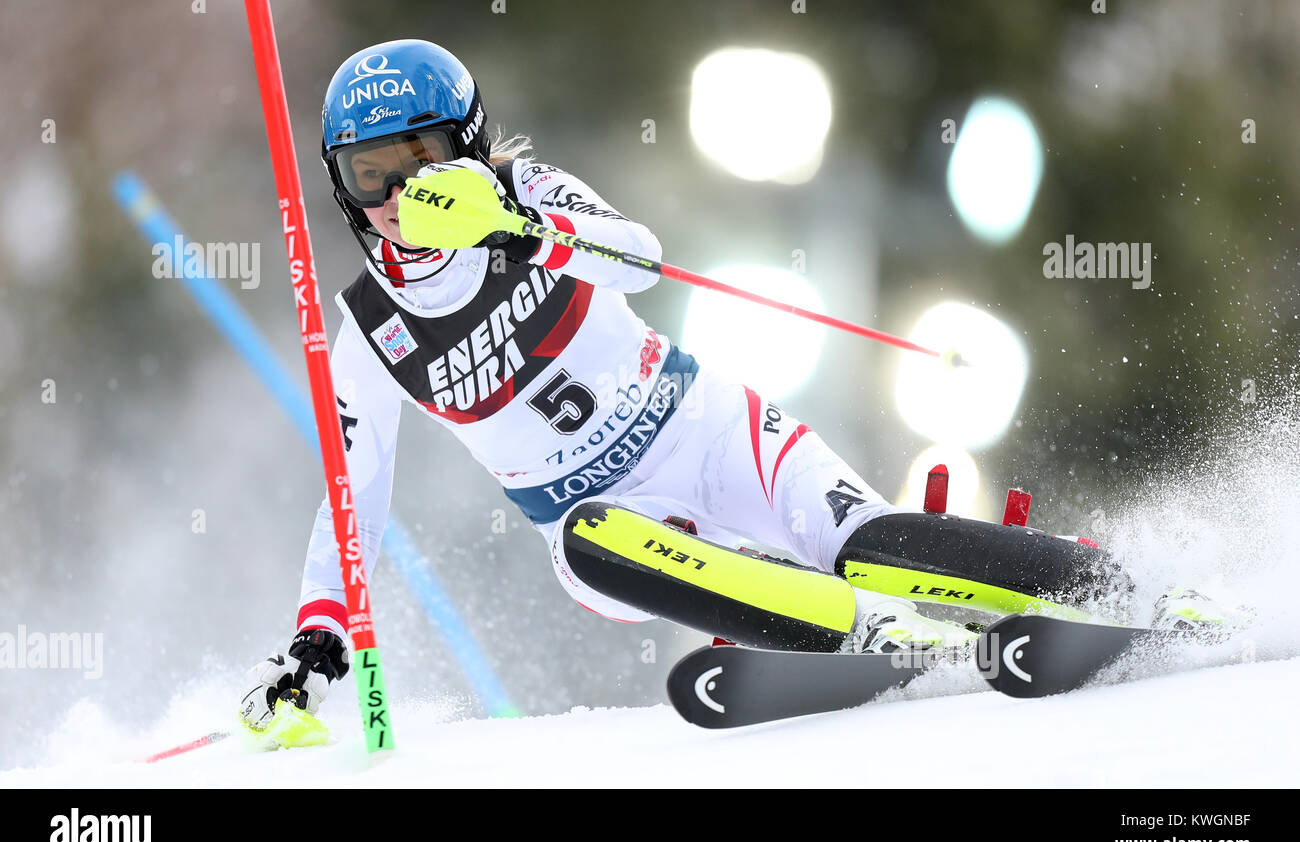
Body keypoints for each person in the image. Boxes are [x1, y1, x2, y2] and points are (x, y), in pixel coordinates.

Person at [239, 39, 1241, 734]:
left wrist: (516, 228)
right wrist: (319, 638)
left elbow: (638, 259)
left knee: (879, 543)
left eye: (422, 162)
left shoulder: (534, 199)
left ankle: (1124, 589)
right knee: (592, 541)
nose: (403, 199)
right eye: (372, 174)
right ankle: (874, 635)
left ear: (468, 143)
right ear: (342, 186)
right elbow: (350, 495)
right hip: (603, 520)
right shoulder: (369, 335)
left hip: (708, 428)